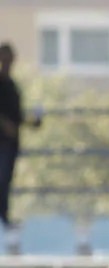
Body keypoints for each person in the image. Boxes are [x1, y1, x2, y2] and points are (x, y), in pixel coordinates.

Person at [0, 43, 41, 226]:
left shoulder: (12, 85)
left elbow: (16, 116)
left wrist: (31, 122)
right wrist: (4, 124)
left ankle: (4, 217)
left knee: (6, 180)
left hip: (10, 143)